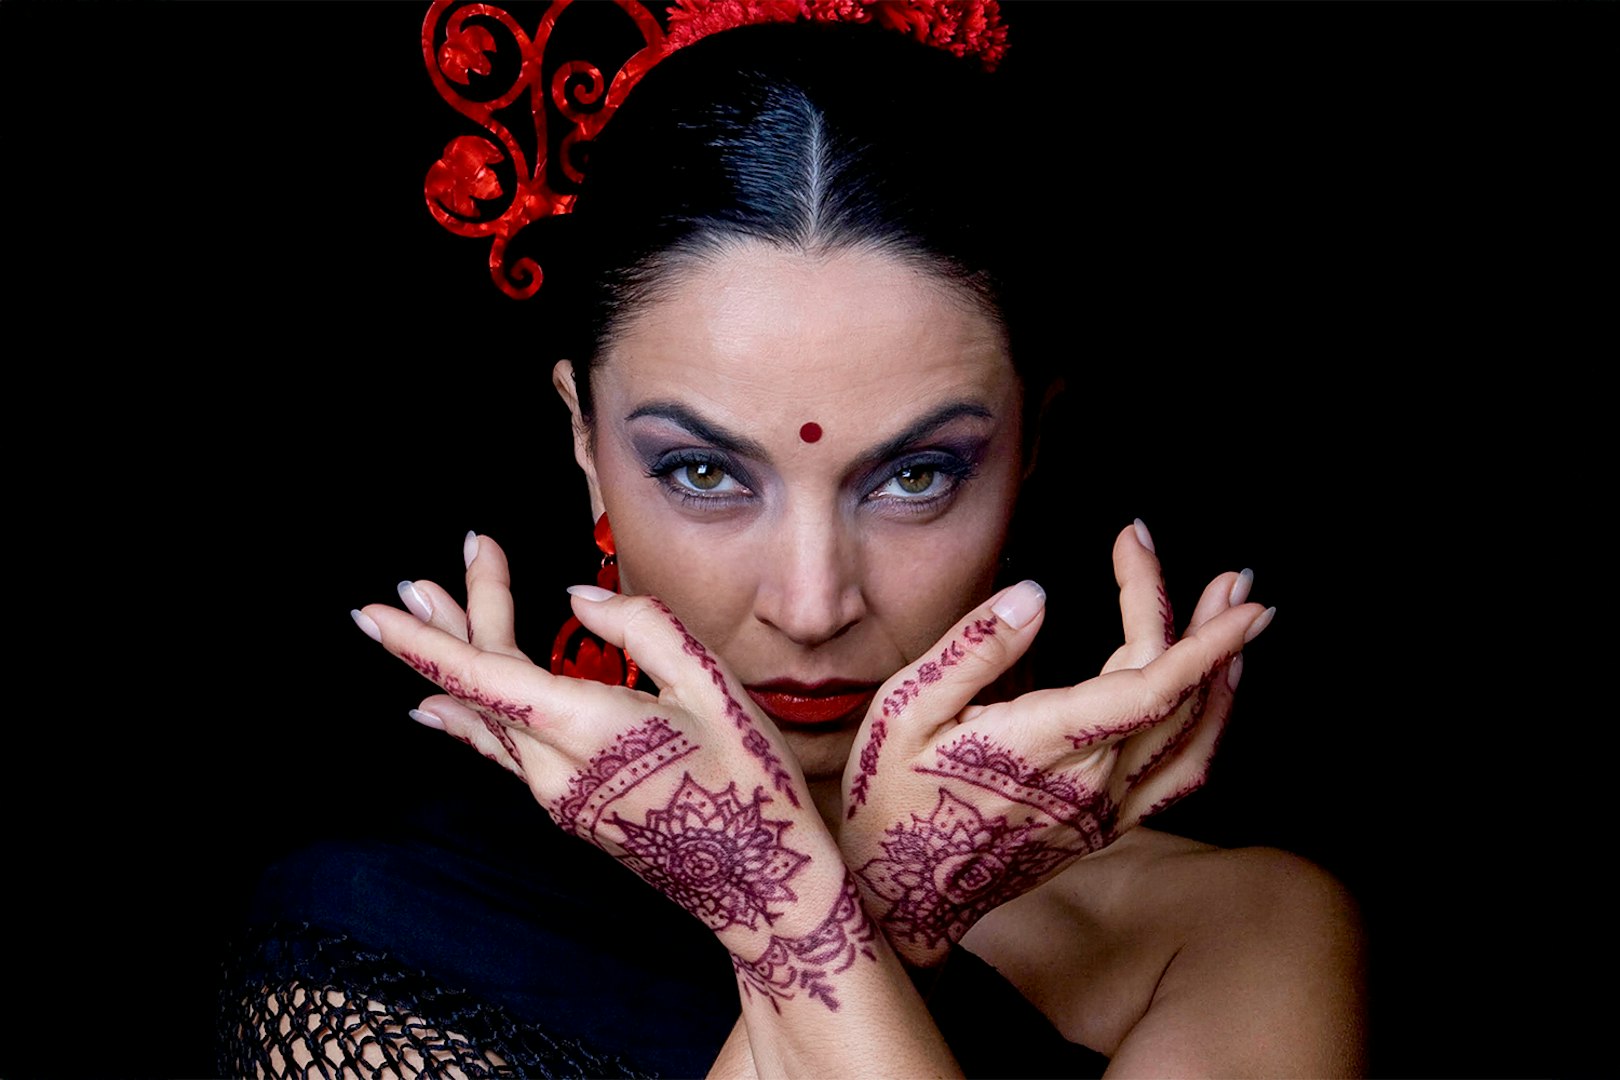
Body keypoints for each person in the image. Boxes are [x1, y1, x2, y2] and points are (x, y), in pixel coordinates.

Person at [222, 11, 1363, 1077]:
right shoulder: (379, 929)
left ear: (1031, 450)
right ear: (584, 442)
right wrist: (819, 912)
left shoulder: (1228, 931)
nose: (812, 605)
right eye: (705, 472)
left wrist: (799, 918)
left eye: (915, 476)